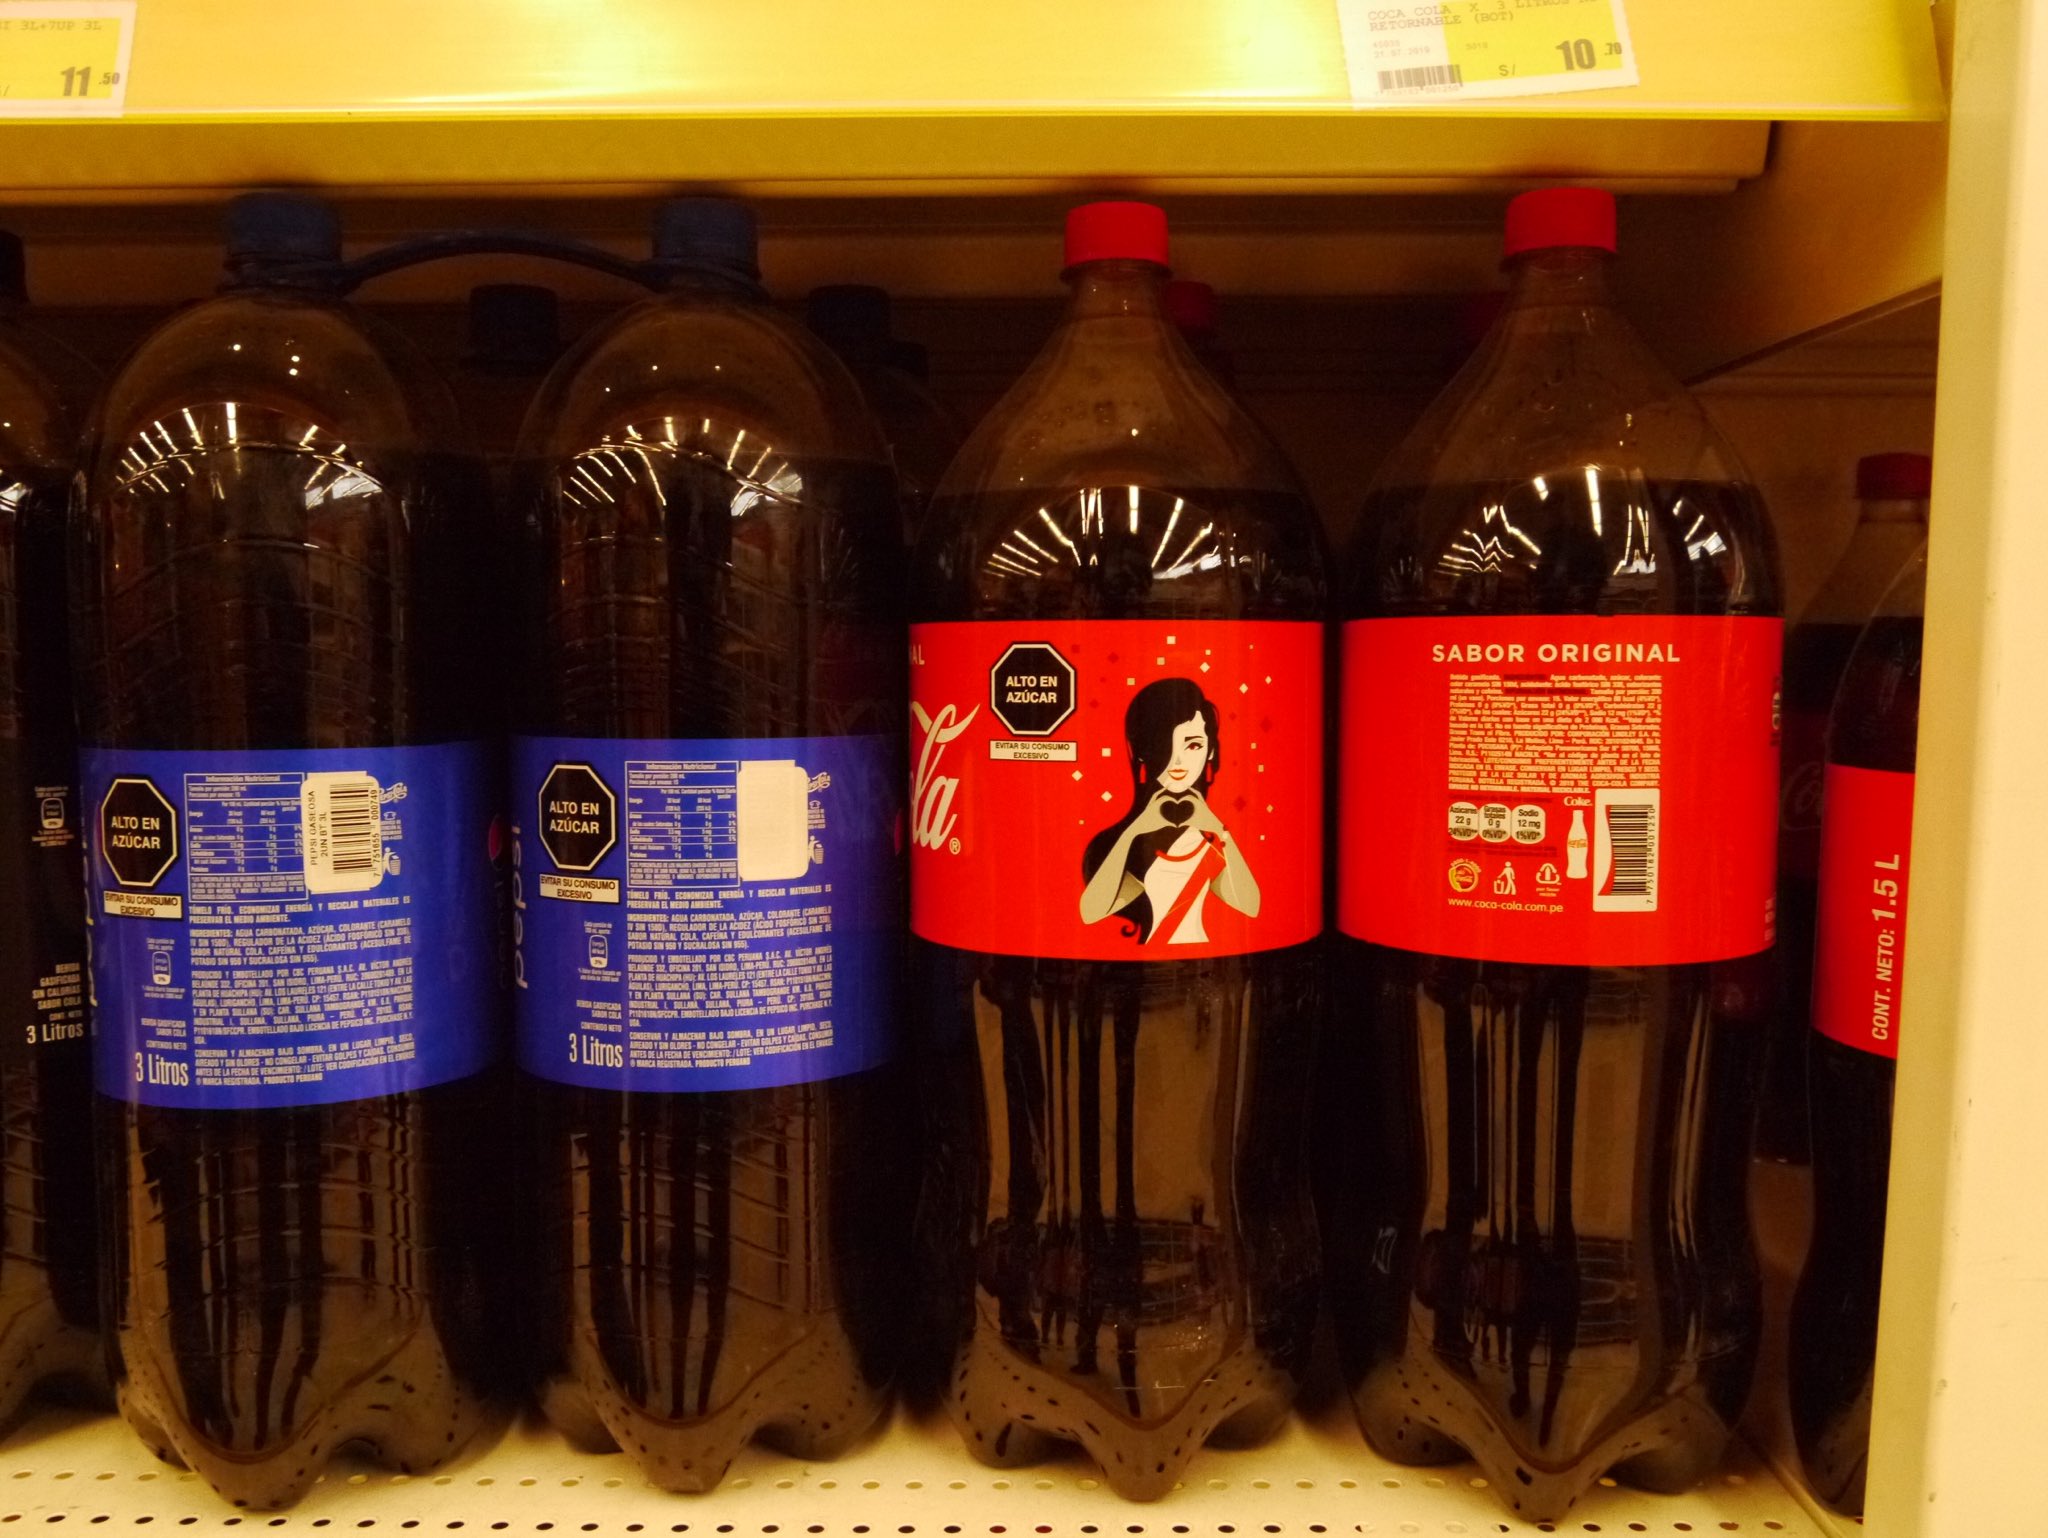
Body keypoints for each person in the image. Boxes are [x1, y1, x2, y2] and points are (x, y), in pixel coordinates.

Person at [1080, 677, 1259, 945]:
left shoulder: (1206, 838)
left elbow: (1249, 905)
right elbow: (1092, 911)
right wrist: (1132, 833)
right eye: (1162, 744)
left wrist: (1218, 829)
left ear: (1210, 750)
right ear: (1141, 752)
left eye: (1193, 745)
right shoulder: (1130, 839)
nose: (1178, 760)